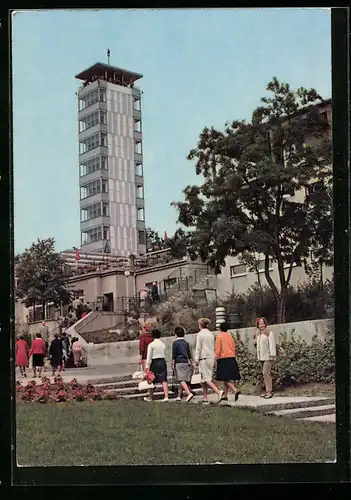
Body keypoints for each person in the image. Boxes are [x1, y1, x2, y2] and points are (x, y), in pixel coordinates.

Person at [194, 318, 224, 405]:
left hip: (203, 358)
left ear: (200, 325)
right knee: (205, 379)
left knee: (205, 379)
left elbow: (198, 348)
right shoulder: (210, 334)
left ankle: (218, 392)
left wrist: (196, 359)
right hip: (211, 357)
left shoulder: (200, 334)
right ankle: (205, 397)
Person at [215, 322, 241, 401]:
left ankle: (235, 390)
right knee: (226, 377)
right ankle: (225, 395)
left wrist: (215, 359)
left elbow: (218, 349)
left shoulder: (219, 337)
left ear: (220, 328)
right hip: (231, 358)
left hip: (223, 358)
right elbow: (233, 347)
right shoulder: (230, 336)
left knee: (224, 377)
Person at [144, 328, 169, 402]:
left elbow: (148, 357)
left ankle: (150, 397)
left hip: (155, 362)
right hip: (162, 361)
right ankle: (166, 396)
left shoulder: (151, 345)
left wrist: (147, 367)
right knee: (164, 379)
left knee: (152, 379)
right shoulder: (162, 344)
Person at [254, 317, 276, 399]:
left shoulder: (269, 332)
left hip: (268, 356)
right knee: (265, 374)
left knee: (265, 373)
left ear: (265, 324)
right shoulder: (258, 333)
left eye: (262, 323)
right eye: (260, 324)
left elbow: (272, 344)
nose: (261, 325)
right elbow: (256, 345)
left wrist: (272, 355)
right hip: (261, 357)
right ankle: (267, 390)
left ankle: (269, 391)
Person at [171, 326, 194, 402]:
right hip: (185, 361)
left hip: (178, 362)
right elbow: (189, 354)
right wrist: (192, 362)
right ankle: (179, 395)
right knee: (183, 379)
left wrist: (172, 363)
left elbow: (174, 354)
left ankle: (188, 393)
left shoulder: (175, 343)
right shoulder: (186, 343)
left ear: (176, 334)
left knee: (180, 379)